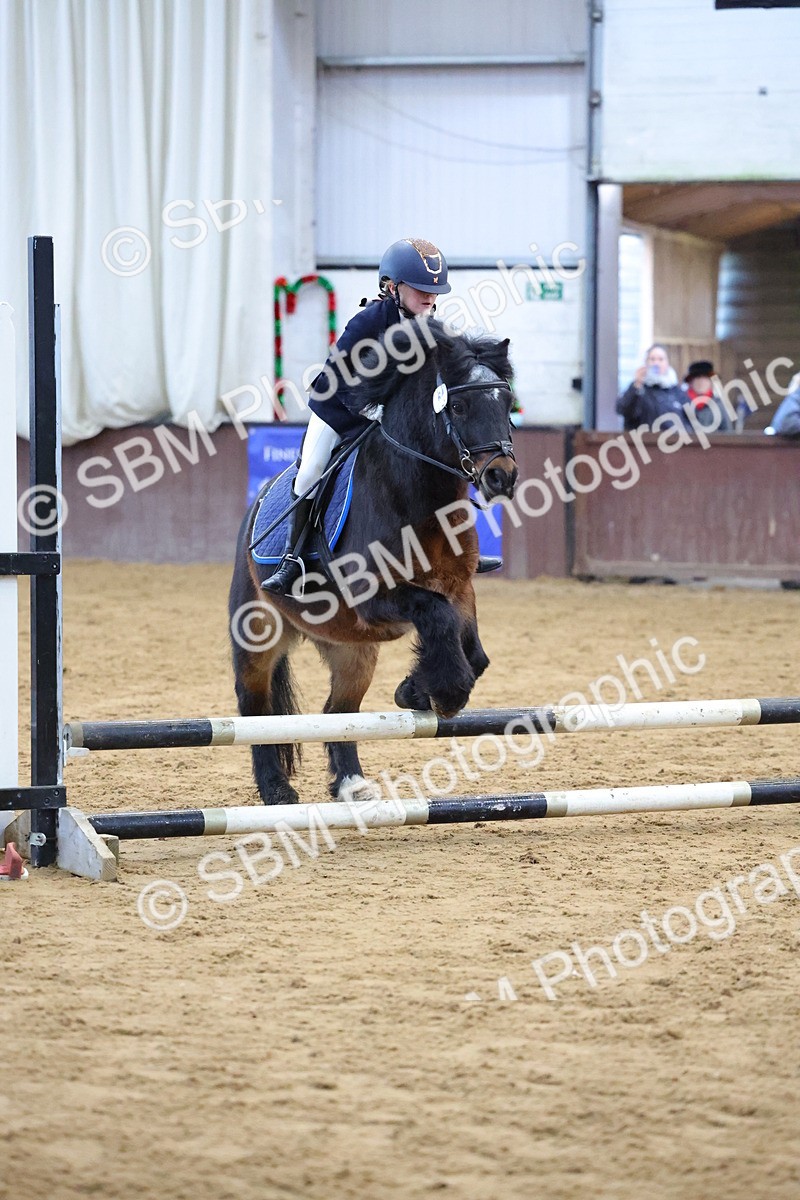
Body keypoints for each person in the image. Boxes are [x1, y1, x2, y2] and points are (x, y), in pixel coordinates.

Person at [263, 237, 501, 595]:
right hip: (338, 410)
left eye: (435, 290)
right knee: (311, 469)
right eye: (420, 288)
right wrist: (368, 409)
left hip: (389, 422)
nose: (430, 297)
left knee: (442, 459)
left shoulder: (434, 327)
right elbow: (335, 379)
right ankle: (292, 557)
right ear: (392, 287)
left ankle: (459, 549)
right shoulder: (367, 323)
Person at [616, 344, 688, 432]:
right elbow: (623, 409)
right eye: (652, 359)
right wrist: (636, 385)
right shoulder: (639, 389)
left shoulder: (676, 391)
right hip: (645, 442)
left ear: (667, 363)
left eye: (660, 359)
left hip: (673, 443)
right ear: (646, 363)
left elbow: (690, 419)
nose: (656, 363)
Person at [682, 360, 732, 432]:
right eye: (697, 377)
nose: (701, 381)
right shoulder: (681, 404)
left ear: (711, 382)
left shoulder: (719, 405)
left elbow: (728, 432)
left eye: (705, 378)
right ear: (690, 382)